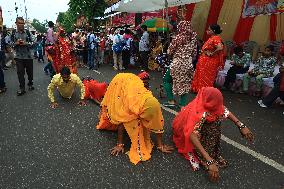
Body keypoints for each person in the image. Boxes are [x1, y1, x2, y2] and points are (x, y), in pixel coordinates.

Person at [172, 87, 254, 182]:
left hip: (197, 128)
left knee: (215, 121)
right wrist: (209, 160)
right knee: (211, 127)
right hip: (187, 132)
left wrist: (241, 125)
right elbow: (191, 135)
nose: (219, 106)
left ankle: (208, 152)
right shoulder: (199, 113)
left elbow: (223, 109)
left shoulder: (208, 102)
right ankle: (199, 154)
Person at [96, 73, 173, 165]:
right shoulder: (130, 102)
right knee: (120, 114)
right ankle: (103, 114)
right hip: (119, 82)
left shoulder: (154, 106)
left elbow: (158, 124)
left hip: (137, 93)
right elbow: (122, 121)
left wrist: (160, 145)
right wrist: (119, 144)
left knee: (137, 122)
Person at [163, 21, 197, 108]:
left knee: (166, 80)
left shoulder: (178, 37)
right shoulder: (193, 39)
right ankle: (183, 104)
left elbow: (169, 51)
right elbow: (194, 54)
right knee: (185, 84)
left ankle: (171, 100)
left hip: (177, 63)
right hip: (188, 64)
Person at [191, 24, 225, 93]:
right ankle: (198, 90)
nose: (207, 31)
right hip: (204, 60)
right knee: (201, 75)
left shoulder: (216, 38)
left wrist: (212, 53)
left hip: (209, 61)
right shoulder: (212, 38)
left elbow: (220, 47)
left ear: (214, 31)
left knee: (205, 77)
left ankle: (204, 92)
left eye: (209, 30)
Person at [11, 17, 34, 96]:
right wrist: (15, 43)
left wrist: (26, 43)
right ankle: (22, 88)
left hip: (28, 56)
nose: (21, 25)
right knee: (20, 73)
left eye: (22, 23)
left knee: (30, 72)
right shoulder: (13, 33)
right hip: (18, 57)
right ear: (16, 23)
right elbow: (10, 44)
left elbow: (34, 42)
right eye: (19, 23)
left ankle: (30, 83)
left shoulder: (28, 32)